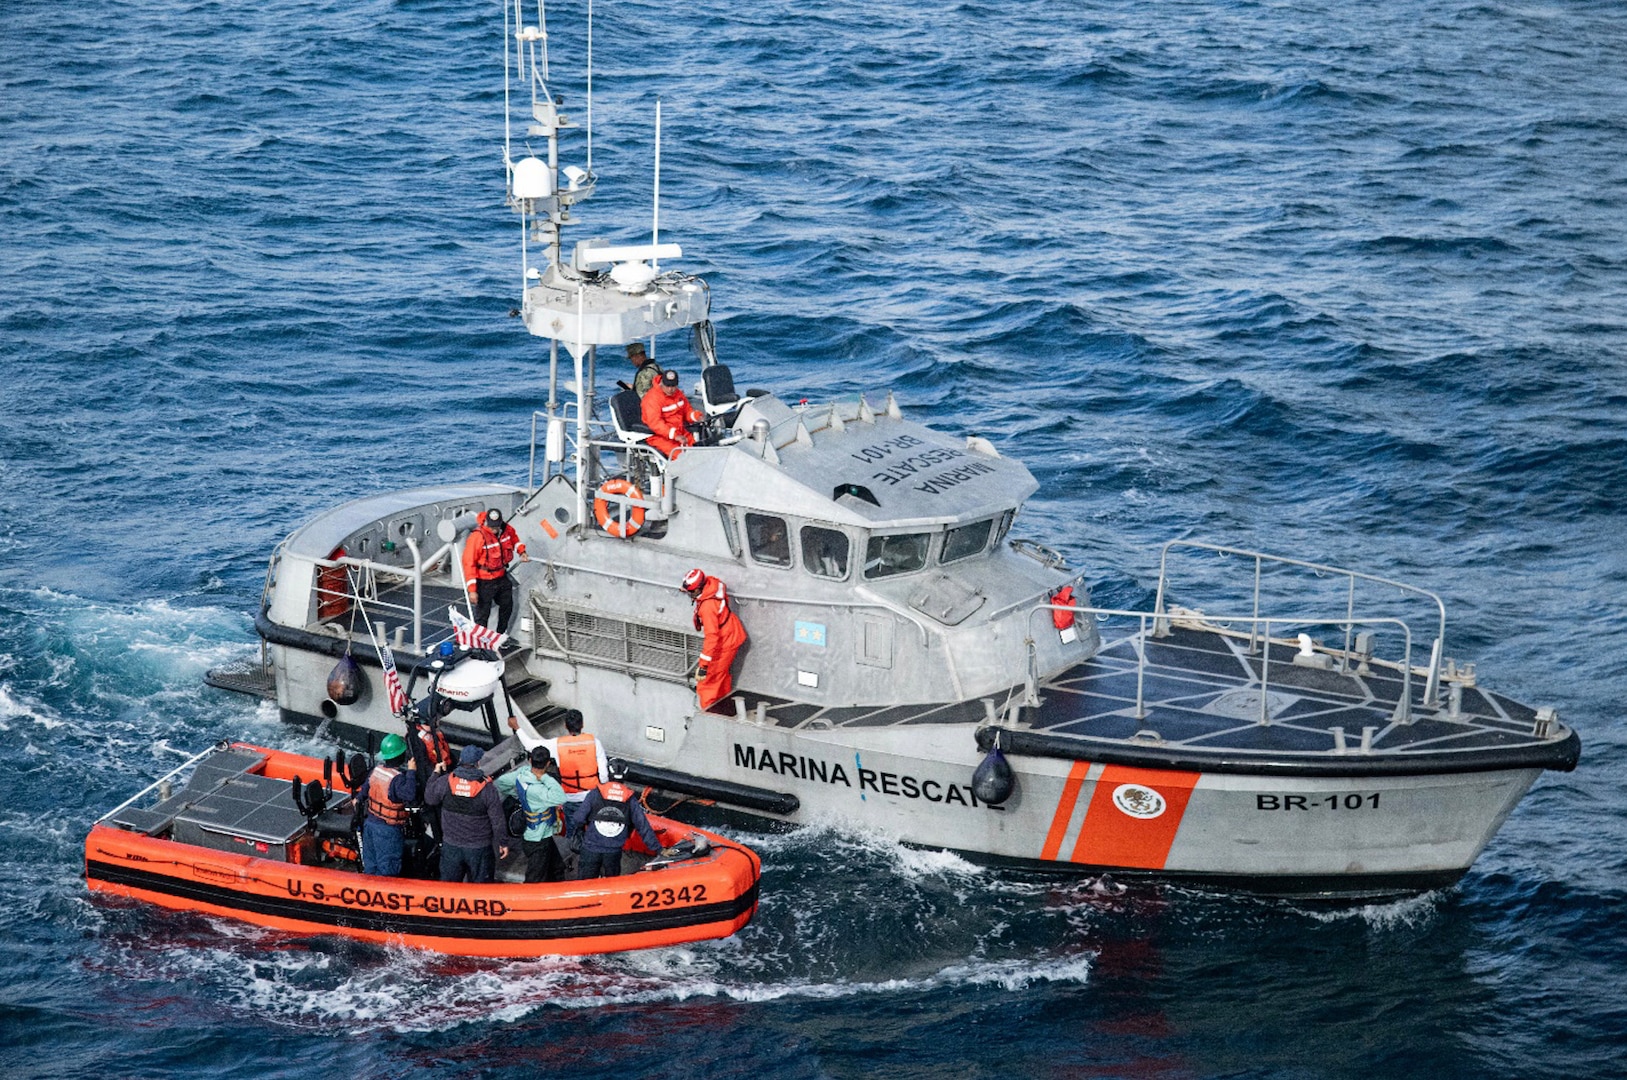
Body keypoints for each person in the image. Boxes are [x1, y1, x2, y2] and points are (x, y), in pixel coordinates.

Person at [424, 744, 509, 883]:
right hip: (479, 848)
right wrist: (503, 843)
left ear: (460, 760)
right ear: (478, 763)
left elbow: (429, 798)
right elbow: (497, 820)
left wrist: (435, 773)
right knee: (480, 891)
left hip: (451, 846)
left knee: (449, 890)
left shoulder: (446, 781)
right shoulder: (487, 788)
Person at [568, 762, 661, 879]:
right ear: (626, 776)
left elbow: (578, 819)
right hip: (613, 851)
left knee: (585, 884)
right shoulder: (630, 798)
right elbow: (642, 825)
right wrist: (658, 849)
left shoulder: (595, 793)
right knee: (611, 883)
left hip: (591, 848)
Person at [496, 745, 568, 883]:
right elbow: (561, 797)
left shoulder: (522, 773)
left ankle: (558, 889)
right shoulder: (539, 790)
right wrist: (545, 777)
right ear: (548, 763)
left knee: (557, 867)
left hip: (536, 834)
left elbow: (502, 782)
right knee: (535, 877)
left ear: (530, 760)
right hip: (538, 839)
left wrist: (518, 795)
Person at [509, 709, 608, 805]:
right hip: (592, 795)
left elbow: (529, 745)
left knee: (572, 821)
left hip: (570, 797)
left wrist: (516, 727)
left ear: (565, 726)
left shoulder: (558, 744)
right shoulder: (594, 742)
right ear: (582, 724)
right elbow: (603, 776)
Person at [683, 568, 748, 710]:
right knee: (721, 678)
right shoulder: (711, 585)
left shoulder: (707, 607)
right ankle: (724, 708)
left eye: (690, 593)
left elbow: (712, 637)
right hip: (731, 634)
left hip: (724, 642)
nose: (689, 595)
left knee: (707, 683)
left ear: (698, 590)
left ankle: (709, 715)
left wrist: (704, 665)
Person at [461, 508, 528, 634]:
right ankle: (480, 642)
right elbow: (469, 564)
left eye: (496, 526)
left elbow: (515, 540)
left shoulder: (507, 530)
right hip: (484, 581)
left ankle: (500, 634)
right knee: (482, 614)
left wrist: (522, 551)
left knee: (507, 606)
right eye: (491, 527)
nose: (494, 529)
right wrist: (472, 591)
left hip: (501, 576)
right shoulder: (477, 537)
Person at [362, 734, 416, 877]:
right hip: (387, 830)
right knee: (388, 867)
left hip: (370, 824)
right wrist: (411, 772)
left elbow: (364, 790)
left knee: (371, 863)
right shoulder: (397, 780)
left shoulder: (377, 770)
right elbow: (409, 794)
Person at [640, 368, 704, 459]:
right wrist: (675, 435)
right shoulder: (652, 399)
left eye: (673, 386)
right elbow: (655, 423)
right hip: (659, 437)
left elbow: (687, 411)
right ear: (662, 383)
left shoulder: (678, 394)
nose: (670, 389)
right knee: (681, 457)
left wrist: (696, 416)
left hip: (680, 432)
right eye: (667, 386)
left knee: (699, 452)